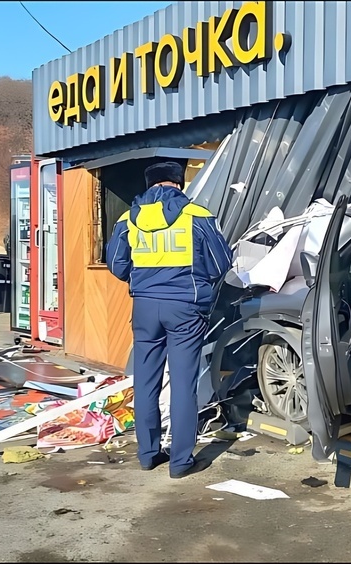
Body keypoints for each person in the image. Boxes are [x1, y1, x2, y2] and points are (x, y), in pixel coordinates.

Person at [106, 161, 233, 479]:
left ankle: (148, 455)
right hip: (185, 310)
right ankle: (180, 462)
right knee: (182, 385)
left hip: (145, 308)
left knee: (145, 383)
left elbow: (117, 265)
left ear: (150, 185)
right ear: (179, 183)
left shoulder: (127, 219)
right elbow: (221, 264)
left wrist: (147, 277)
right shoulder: (197, 216)